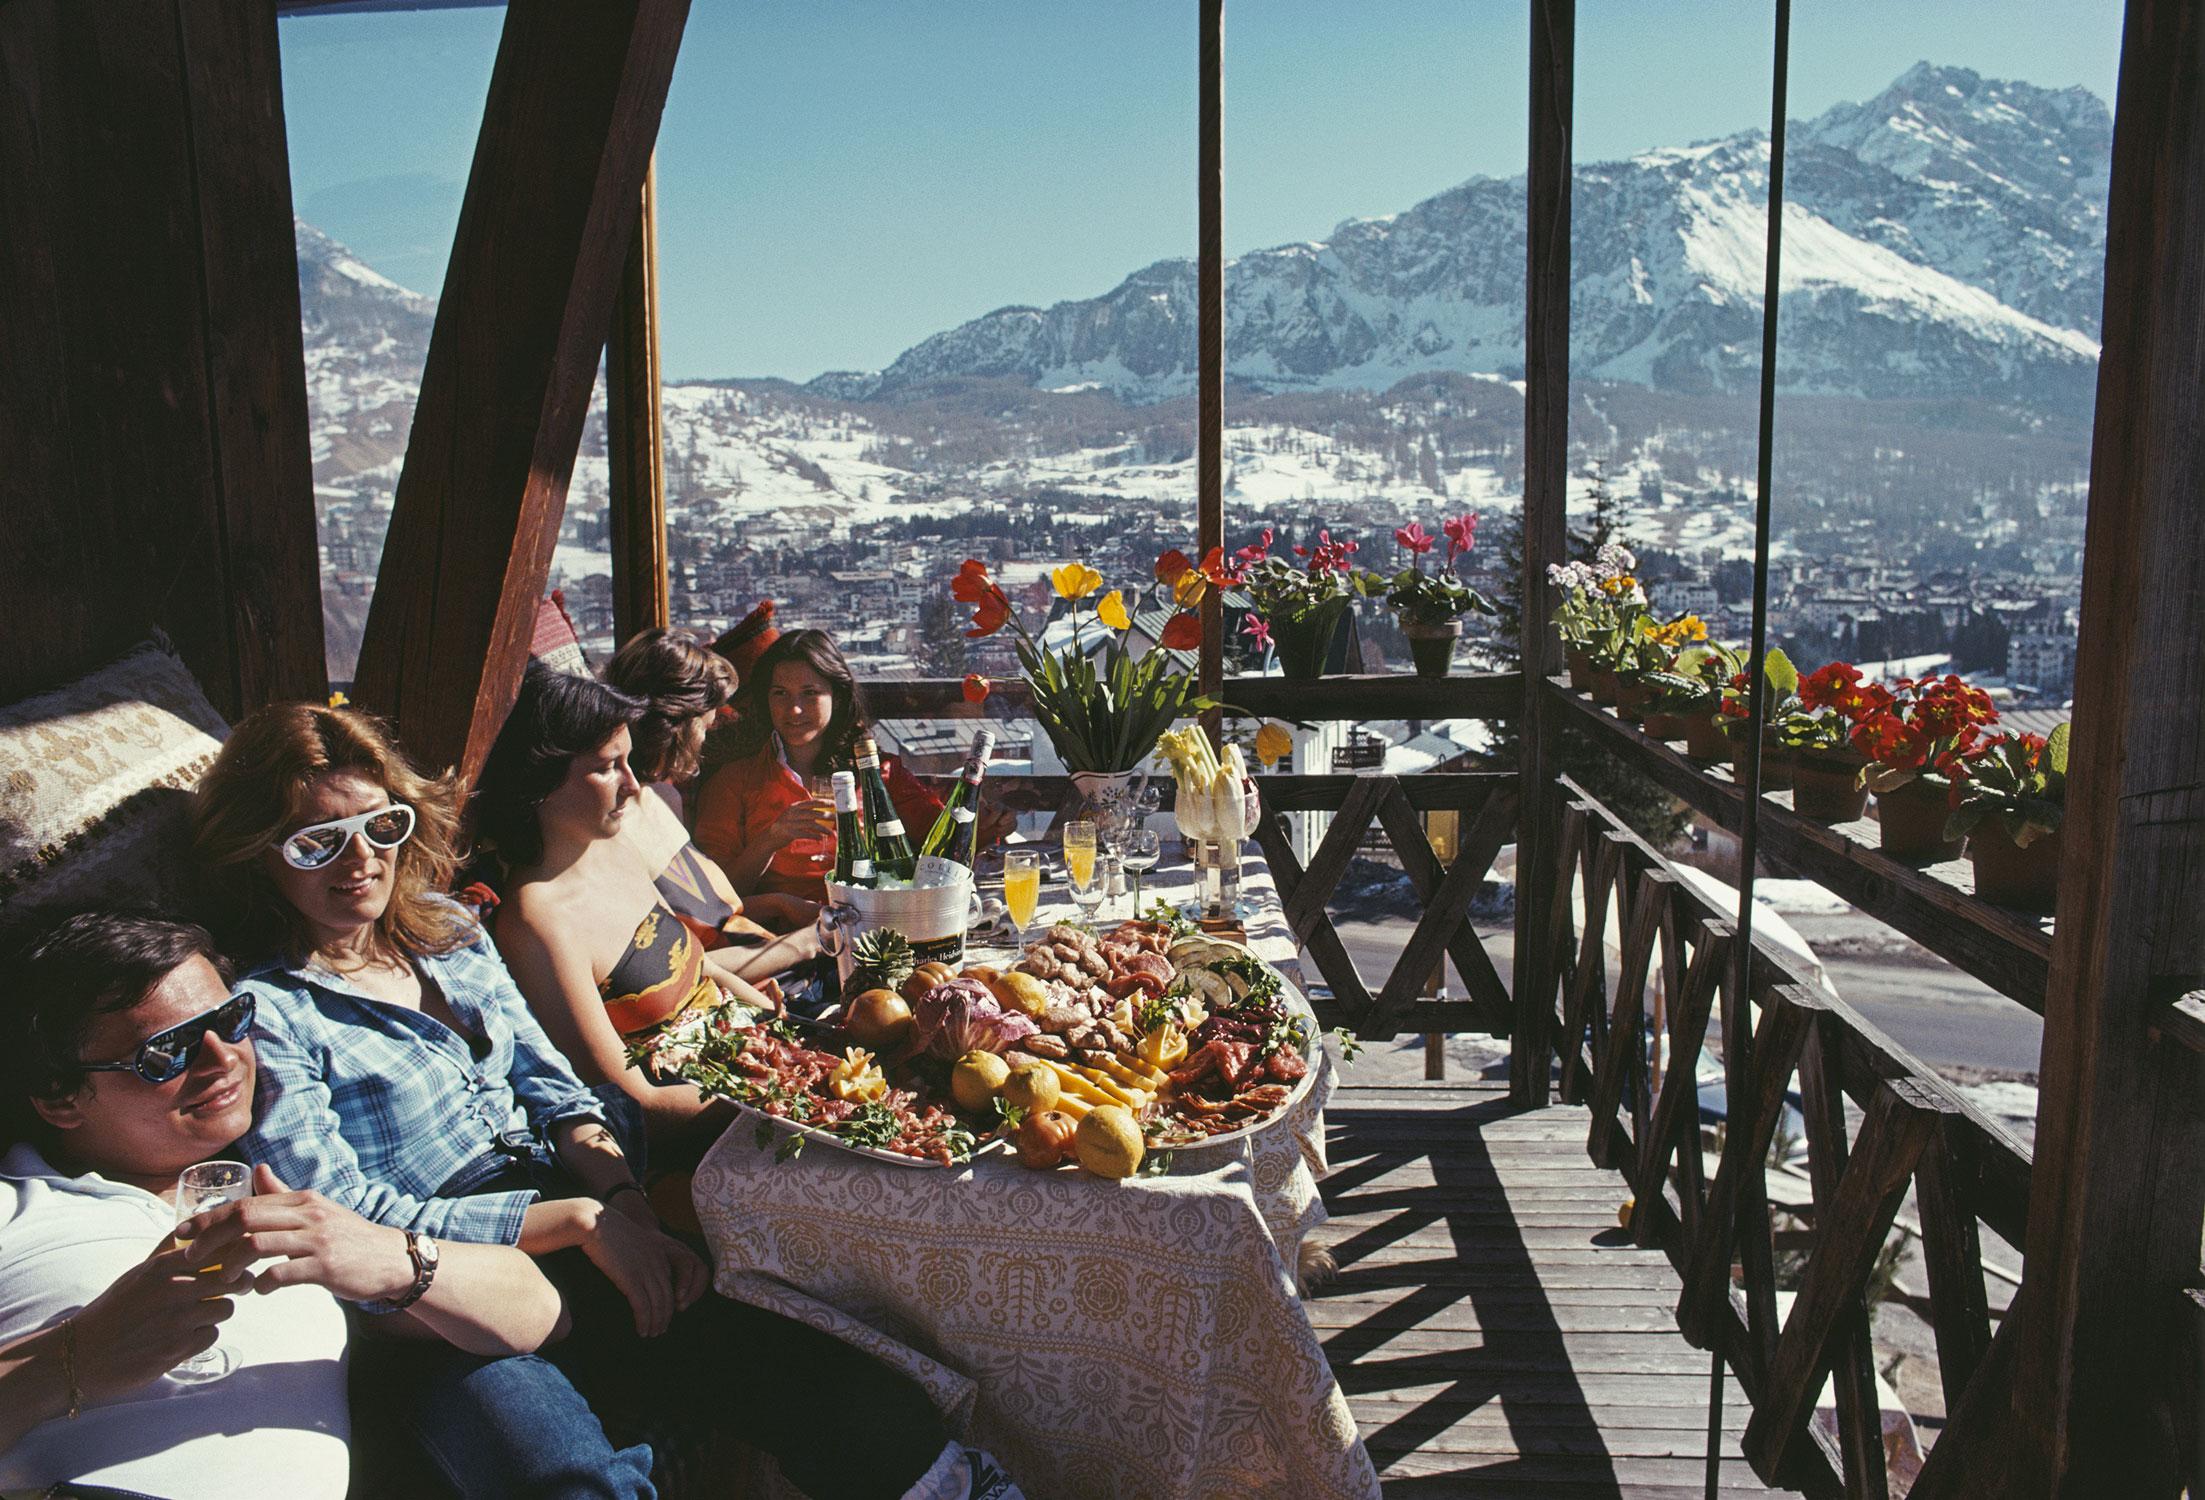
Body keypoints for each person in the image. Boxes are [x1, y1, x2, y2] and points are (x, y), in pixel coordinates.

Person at [191, 700, 1018, 1500]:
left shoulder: (446, 933)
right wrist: (580, 1225)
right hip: (441, 1275)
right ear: (258, 853)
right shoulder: (267, 1012)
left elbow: (553, 1087)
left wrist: (623, 1201)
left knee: (844, 1393)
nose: (360, 860)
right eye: (316, 844)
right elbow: (342, 1211)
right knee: (566, 1479)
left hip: (572, 1198)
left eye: (381, 827)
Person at [0, 909, 565, 1500]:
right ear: (59, 1098)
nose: (224, 1058)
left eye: (230, 1019)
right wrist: (70, 1361)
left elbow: (541, 1312)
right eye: (167, 1052)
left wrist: (393, 1257)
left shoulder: (291, 1190)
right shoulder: (20, 1208)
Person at [476, 662, 810, 1152]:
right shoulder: (539, 922)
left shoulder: (612, 843)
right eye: (608, 767)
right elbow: (634, 1103)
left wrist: (773, 1023)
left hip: (756, 1070)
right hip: (709, 1131)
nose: (633, 786)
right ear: (541, 778)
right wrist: (778, 1099)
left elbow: (694, 966)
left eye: (628, 762)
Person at [693, 630, 948, 904]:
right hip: (780, 936)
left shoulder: (878, 774)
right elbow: (714, 897)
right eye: (780, 693)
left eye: (810, 693)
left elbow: (945, 844)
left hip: (872, 929)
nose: (794, 710)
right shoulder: (734, 781)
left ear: (836, 697)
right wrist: (770, 840)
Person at [600, 627, 815, 940]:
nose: (705, 739)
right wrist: (803, 945)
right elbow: (678, 945)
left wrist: (778, 904)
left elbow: (707, 913)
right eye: (704, 727)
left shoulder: (662, 799)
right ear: (677, 726)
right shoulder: (617, 821)